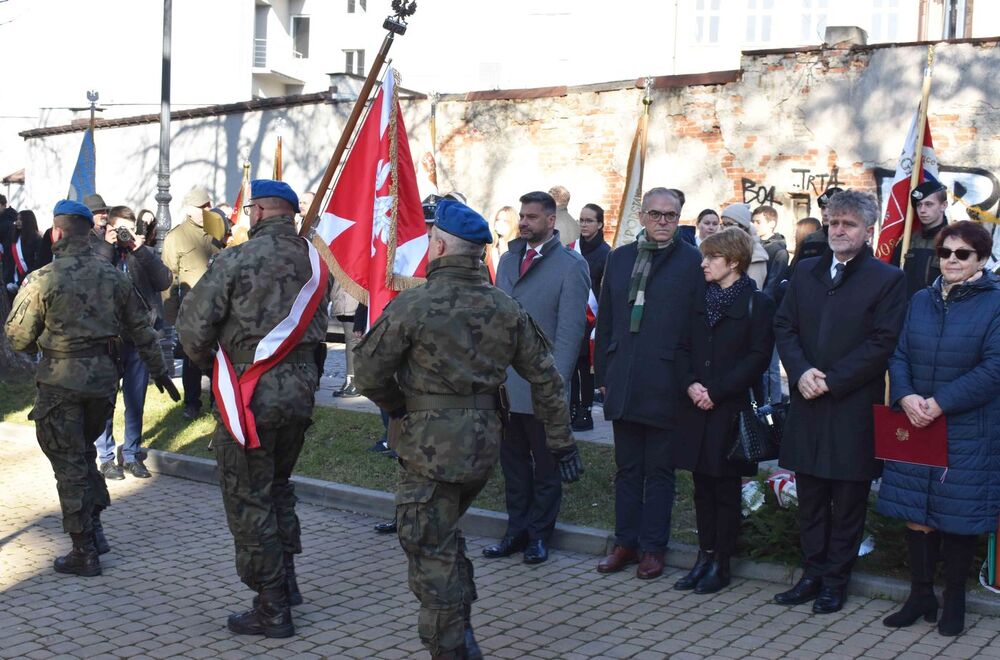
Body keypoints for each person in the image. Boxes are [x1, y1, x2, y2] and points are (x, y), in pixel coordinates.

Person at [353, 199, 582, 660]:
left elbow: (368, 372)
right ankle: (462, 631)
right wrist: (560, 443)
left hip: (428, 451)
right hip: (482, 447)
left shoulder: (413, 304)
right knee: (443, 535)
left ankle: (452, 646)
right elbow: (547, 378)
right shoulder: (506, 306)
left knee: (426, 545)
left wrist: (400, 409)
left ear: (438, 246)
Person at [176, 179, 330, 638]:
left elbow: (192, 327)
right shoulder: (315, 262)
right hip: (299, 392)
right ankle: (289, 580)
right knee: (278, 487)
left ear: (259, 212)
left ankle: (272, 607)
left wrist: (219, 371)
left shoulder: (236, 258)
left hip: (248, 393)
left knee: (249, 498)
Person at [4, 200, 175, 578]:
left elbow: (17, 337)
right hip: (101, 384)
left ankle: (83, 550)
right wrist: (159, 370)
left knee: (70, 465)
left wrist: (43, 346)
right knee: (82, 455)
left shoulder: (42, 279)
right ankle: (95, 532)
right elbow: (142, 328)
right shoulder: (114, 277)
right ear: (89, 232)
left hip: (59, 384)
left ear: (58, 233)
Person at [773, 190, 907, 614]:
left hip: (851, 406)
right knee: (810, 496)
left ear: (868, 230)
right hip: (808, 400)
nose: (838, 231)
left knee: (847, 500)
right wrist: (801, 372)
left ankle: (836, 580)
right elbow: (784, 326)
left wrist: (832, 380)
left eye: (848, 224)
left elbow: (883, 342)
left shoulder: (887, 279)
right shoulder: (806, 271)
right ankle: (812, 574)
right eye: (833, 223)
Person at [877, 221, 1000, 637]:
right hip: (915, 420)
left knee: (956, 515)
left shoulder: (997, 302)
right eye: (945, 252)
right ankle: (920, 595)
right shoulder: (920, 299)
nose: (950, 260)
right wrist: (907, 396)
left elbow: (994, 368)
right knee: (917, 512)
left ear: (981, 259)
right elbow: (900, 353)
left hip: (967, 428)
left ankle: (955, 601)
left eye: (962, 254)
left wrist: (940, 403)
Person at [594, 187, 704, 580]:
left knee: (659, 471)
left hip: (666, 380)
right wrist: (602, 376)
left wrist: (691, 379)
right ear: (642, 216)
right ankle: (625, 542)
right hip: (623, 378)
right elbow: (606, 319)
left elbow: (697, 327)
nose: (662, 222)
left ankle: (654, 547)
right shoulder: (621, 259)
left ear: (679, 219)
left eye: (670, 216)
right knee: (627, 468)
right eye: (655, 214)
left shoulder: (692, 261)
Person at [484, 190, 589, 566]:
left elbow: (570, 331)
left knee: (546, 467)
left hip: (544, 385)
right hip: (506, 386)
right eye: (522, 216)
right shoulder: (509, 259)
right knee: (512, 465)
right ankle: (516, 530)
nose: (524, 222)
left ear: (549, 221)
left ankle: (540, 536)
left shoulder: (571, 265)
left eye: (531, 217)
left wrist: (554, 384)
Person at [674, 227, 775, 594]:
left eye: (711, 257)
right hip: (695, 405)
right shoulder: (699, 296)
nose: (703, 264)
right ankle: (705, 554)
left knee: (725, 488)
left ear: (733, 261)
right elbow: (681, 346)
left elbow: (757, 358)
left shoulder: (756, 302)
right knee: (701, 485)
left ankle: (722, 562)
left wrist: (715, 391)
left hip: (728, 407)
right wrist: (690, 384)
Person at [94, 206, 173, 480]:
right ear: (109, 228)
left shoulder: (142, 253)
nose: (125, 233)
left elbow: (164, 280)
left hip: (139, 338)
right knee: (105, 400)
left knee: (135, 400)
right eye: (120, 228)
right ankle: (104, 457)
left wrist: (139, 249)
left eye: (129, 227)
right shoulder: (100, 253)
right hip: (108, 340)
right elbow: (96, 283)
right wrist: (108, 244)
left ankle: (131, 454)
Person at [162, 185, 219, 420]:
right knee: (191, 358)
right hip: (192, 309)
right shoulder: (176, 236)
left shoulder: (216, 226)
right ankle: (192, 403)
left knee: (219, 357)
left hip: (219, 306)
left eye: (209, 204)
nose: (208, 209)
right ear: (190, 209)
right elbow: (169, 279)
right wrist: (172, 315)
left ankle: (218, 401)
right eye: (203, 206)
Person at [570, 203, 610, 432]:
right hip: (574, 315)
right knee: (572, 365)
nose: (584, 224)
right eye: (582, 220)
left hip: (593, 319)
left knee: (586, 368)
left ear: (599, 224)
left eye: (589, 221)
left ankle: (585, 410)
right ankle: (573, 406)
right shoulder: (573, 248)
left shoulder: (606, 252)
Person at [891, 180, 951, 299]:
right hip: (905, 309)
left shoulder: (953, 241)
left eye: (929, 204)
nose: (922, 210)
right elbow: (892, 274)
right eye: (919, 205)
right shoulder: (908, 240)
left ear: (943, 205)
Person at [720, 204, 768, 289]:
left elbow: (754, 291)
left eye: (730, 224)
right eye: (723, 224)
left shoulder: (756, 255)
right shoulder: (721, 249)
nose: (725, 229)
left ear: (743, 227)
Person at [3, 210, 43, 301]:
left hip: (30, 283)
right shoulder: (14, 240)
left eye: (20, 219)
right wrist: (8, 281)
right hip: (13, 284)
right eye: (17, 219)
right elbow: (8, 262)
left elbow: (38, 264)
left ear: (28, 221)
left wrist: (20, 282)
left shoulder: (38, 240)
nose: (17, 222)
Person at [796, 187, 843, 262]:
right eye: (823, 208)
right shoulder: (811, 240)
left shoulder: (852, 238)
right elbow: (800, 270)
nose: (825, 213)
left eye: (830, 208)